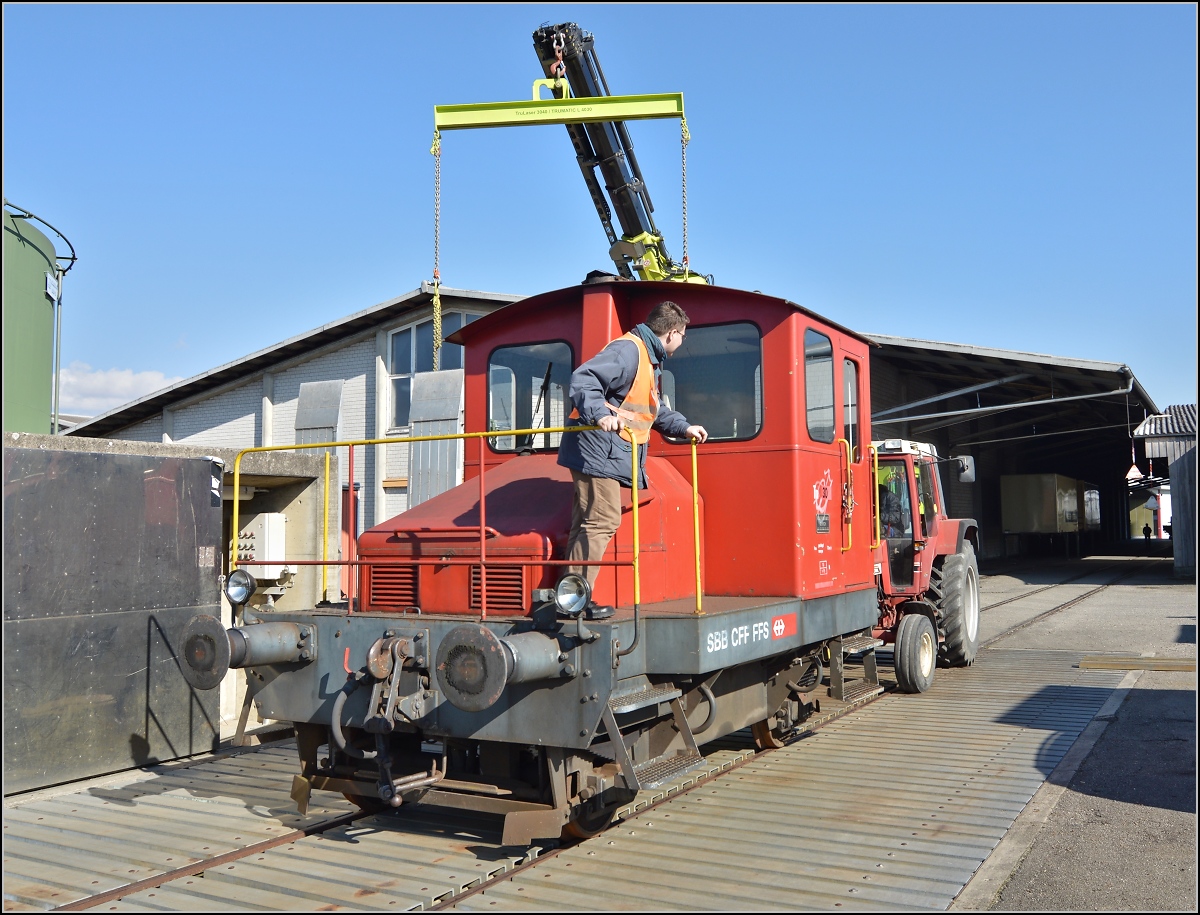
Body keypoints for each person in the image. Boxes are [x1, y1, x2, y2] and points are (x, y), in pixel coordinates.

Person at [556, 301, 708, 619]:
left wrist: (683, 427)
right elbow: (584, 379)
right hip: (597, 448)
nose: (681, 342)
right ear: (673, 333)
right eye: (683, 336)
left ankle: (569, 597)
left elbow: (651, 409)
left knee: (587, 522)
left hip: (601, 450)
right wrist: (600, 415)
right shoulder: (629, 350)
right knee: (603, 519)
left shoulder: (646, 360)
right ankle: (574, 600)